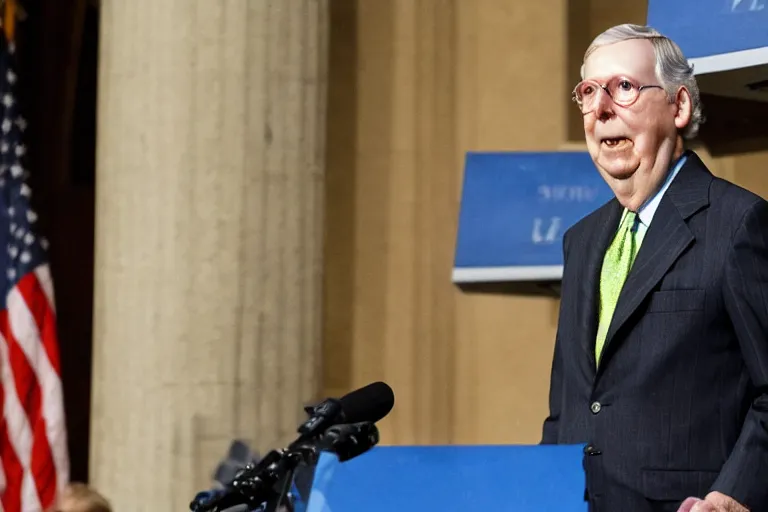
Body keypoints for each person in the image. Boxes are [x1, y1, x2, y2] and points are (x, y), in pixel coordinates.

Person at [541, 23, 768, 512]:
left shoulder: (738, 223)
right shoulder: (580, 242)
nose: (600, 109)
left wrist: (734, 494)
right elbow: (568, 410)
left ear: (679, 106)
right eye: (587, 92)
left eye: (623, 87)